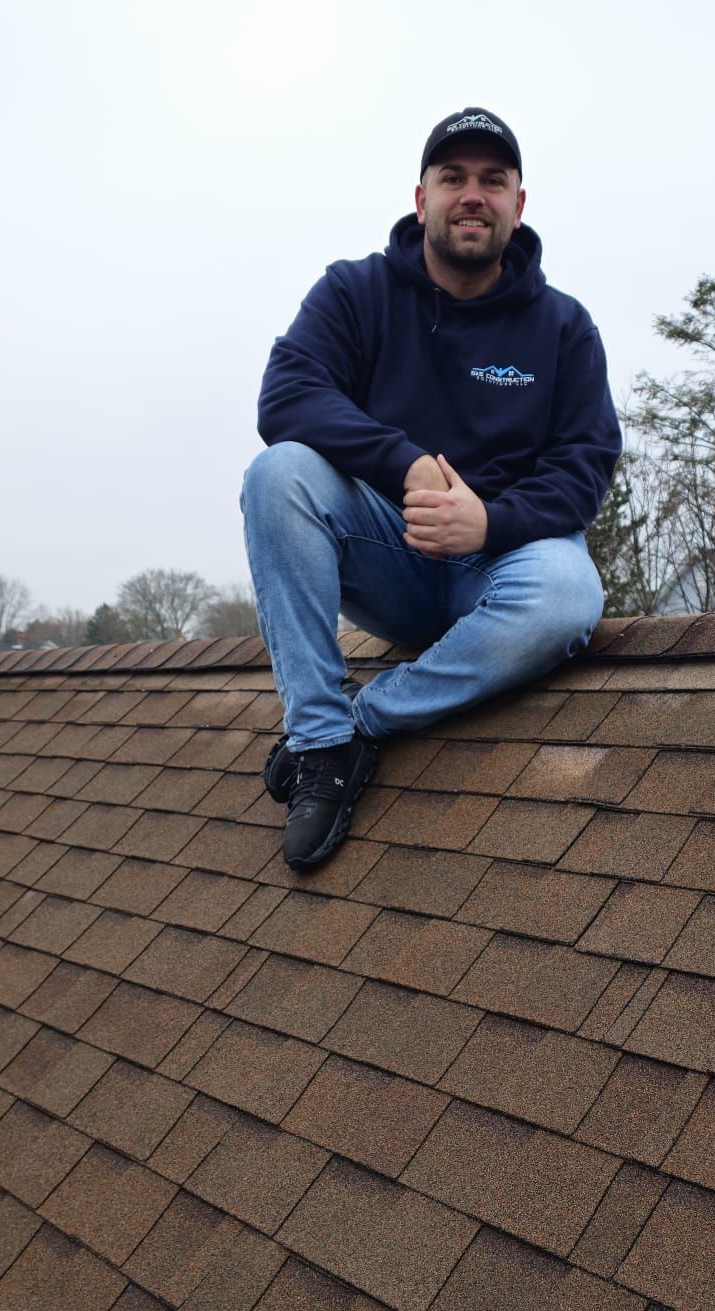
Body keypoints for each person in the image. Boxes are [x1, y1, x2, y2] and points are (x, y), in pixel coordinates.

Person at [242, 107, 620, 869]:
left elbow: (585, 464)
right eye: (453, 178)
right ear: (422, 200)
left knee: (569, 594)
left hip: (504, 564)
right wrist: (405, 463)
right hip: (394, 552)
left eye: (492, 179)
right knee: (277, 473)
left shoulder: (564, 327)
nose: (472, 194)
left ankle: (359, 725)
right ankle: (316, 742)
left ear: (519, 203)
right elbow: (285, 395)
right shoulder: (355, 292)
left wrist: (490, 521)